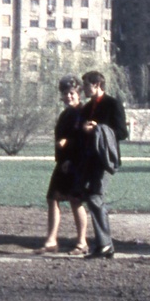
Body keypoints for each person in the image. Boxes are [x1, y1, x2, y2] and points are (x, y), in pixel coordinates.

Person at [75, 70, 127, 259]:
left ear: (97, 85)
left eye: (86, 86)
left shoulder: (112, 104)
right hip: (89, 159)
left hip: (104, 160)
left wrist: (98, 128)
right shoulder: (88, 107)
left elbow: (122, 132)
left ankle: (104, 245)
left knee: (95, 198)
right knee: (92, 198)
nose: (83, 90)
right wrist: (84, 129)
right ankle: (104, 245)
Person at [37, 77, 88, 254]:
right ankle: (51, 240)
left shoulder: (83, 112)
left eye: (72, 93)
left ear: (78, 94)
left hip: (76, 163)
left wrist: (69, 151)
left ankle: (82, 242)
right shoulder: (65, 114)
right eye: (65, 94)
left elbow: (85, 140)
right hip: (63, 162)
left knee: (76, 201)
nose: (68, 97)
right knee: (52, 198)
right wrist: (62, 157)